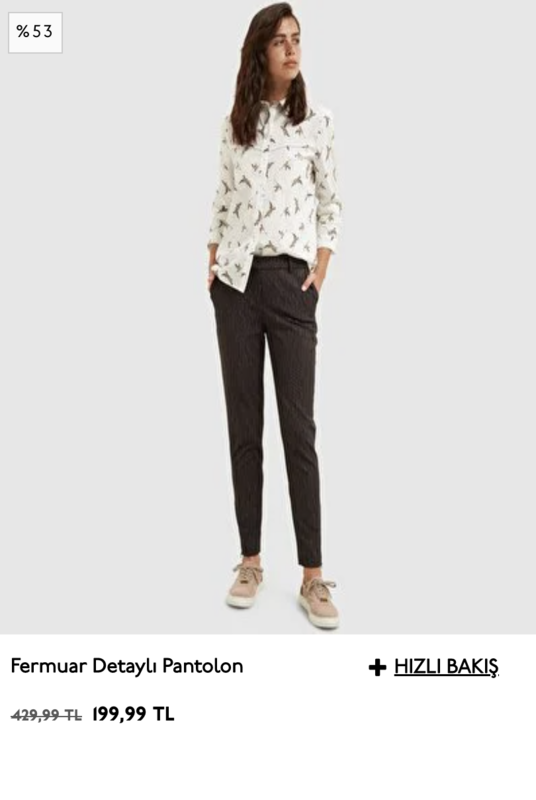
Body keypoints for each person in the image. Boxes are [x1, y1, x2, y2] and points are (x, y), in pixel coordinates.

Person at [206, 3, 342, 629]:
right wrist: (212, 260)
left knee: (299, 433)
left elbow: (331, 202)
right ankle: (250, 561)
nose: (292, 49)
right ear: (259, 50)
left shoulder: (317, 122)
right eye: (280, 40)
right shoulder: (235, 125)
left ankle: (313, 576)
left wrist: (320, 266)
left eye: (297, 39)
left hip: (292, 285)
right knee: (244, 428)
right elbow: (222, 198)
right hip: (236, 285)